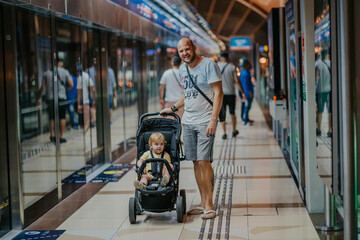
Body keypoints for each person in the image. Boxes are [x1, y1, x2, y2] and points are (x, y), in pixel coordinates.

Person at [160, 38, 223, 220]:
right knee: (195, 161)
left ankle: (209, 205)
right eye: (181, 51)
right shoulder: (182, 68)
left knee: (204, 161)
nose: (185, 53)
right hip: (188, 121)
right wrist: (172, 108)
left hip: (205, 121)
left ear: (194, 48)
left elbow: (218, 93)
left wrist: (213, 120)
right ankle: (203, 202)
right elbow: (186, 96)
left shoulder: (208, 65)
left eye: (187, 49)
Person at [36, 58, 73, 143]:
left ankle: (52, 135)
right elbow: (71, 84)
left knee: (51, 117)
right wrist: (65, 89)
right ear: (60, 63)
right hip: (61, 97)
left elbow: (42, 87)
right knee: (62, 117)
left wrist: (39, 98)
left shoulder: (46, 73)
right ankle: (60, 137)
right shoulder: (64, 71)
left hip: (50, 98)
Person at [217, 52, 245, 139]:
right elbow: (237, 80)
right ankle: (233, 131)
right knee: (232, 112)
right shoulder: (232, 67)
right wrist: (242, 92)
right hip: (231, 93)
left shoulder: (217, 66)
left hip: (220, 94)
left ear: (221, 58)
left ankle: (224, 133)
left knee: (223, 113)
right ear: (227, 58)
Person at [315, 52, 332, 137]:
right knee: (330, 111)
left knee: (320, 111)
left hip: (320, 91)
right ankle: (330, 131)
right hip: (329, 90)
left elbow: (315, 79)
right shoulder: (331, 63)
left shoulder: (319, 65)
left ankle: (319, 130)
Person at [77, 66, 96, 133]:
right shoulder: (86, 76)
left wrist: (78, 103)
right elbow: (92, 89)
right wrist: (94, 99)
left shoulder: (81, 77)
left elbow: (79, 92)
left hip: (85, 101)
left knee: (86, 122)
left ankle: (84, 133)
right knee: (86, 121)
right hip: (86, 100)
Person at [239, 58, 254, 125]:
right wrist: (249, 92)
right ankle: (245, 120)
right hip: (246, 93)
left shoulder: (243, 72)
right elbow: (245, 85)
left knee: (244, 105)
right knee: (247, 106)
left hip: (244, 92)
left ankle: (245, 118)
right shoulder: (245, 73)